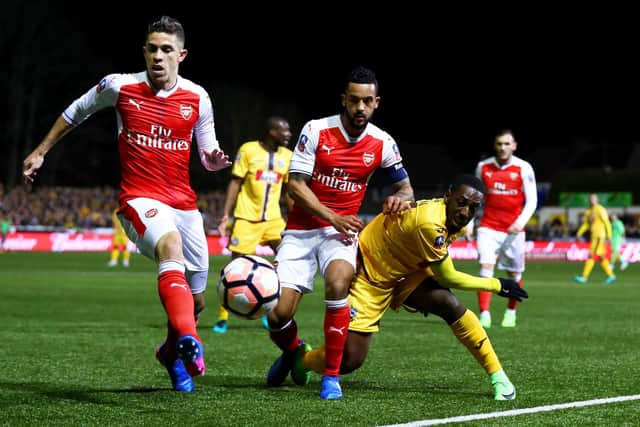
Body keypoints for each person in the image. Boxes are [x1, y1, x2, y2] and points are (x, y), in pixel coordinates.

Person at [22, 16, 231, 393]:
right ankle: (191, 342)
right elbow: (75, 112)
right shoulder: (120, 86)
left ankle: (171, 352)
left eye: (167, 50)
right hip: (139, 198)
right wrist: (40, 152)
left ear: (181, 55)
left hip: (184, 203)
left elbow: (207, 150)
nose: (158, 56)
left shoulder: (198, 97)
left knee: (196, 301)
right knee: (171, 247)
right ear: (144, 51)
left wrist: (214, 160)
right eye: (152, 48)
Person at [291, 174, 527, 400]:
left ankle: (499, 377)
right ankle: (303, 359)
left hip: (405, 271)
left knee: (448, 304)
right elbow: (449, 277)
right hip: (370, 273)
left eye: (473, 207)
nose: (466, 212)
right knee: (351, 360)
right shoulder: (429, 223)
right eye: (461, 203)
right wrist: (497, 284)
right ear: (448, 196)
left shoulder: (456, 221)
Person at [265, 66, 414, 400]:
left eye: (367, 102)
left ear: (376, 103)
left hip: (340, 235)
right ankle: (293, 352)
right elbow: (296, 185)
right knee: (277, 313)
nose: (360, 108)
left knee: (337, 282)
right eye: (354, 100)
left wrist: (398, 199)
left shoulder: (382, 142)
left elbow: (406, 190)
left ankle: (331, 376)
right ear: (344, 100)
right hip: (303, 230)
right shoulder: (316, 130)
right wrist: (332, 216)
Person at [213, 116, 294, 333]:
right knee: (234, 269)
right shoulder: (248, 150)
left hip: (273, 219)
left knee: (287, 258)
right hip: (246, 219)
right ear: (272, 132)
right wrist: (225, 214)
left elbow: (288, 192)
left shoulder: (288, 156)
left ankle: (268, 308)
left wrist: (294, 218)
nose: (288, 134)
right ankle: (223, 316)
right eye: (284, 131)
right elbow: (235, 182)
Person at [467, 129, 537, 329]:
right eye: (499, 144)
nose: (503, 148)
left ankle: (511, 312)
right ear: (495, 145)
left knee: (514, 275)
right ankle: (485, 315)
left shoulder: (524, 168)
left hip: (513, 230)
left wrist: (521, 222)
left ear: (514, 145)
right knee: (485, 269)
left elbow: (532, 201)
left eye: (507, 144)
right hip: (488, 226)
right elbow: (475, 198)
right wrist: (470, 223)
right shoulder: (483, 167)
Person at [574, 193, 616, 284]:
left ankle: (584, 277)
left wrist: (609, 235)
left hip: (600, 236)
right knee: (601, 257)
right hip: (594, 236)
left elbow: (607, 222)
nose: (592, 200)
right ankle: (611, 275)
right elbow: (586, 224)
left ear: (597, 200)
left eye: (593, 198)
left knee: (591, 255)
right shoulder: (588, 211)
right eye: (590, 198)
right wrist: (579, 233)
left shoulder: (600, 209)